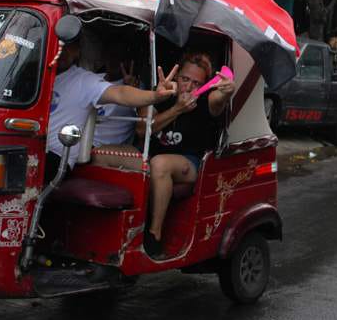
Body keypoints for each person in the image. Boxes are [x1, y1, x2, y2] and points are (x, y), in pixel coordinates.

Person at [137, 52, 235, 258]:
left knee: (160, 164)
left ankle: (154, 236)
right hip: (150, 156)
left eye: (196, 82)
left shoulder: (206, 100)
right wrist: (176, 108)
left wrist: (227, 91)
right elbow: (142, 130)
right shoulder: (163, 94)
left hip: (188, 164)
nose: (188, 87)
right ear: (176, 77)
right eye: (185, 79)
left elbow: (218, 100)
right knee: (105, 155)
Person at [45, 40, 178, 183]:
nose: (62, 50)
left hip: (58, 155)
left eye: (68, 46)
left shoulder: (85, 80)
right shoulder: (37, 72)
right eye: (58, 44)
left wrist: (155, 96)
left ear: (77, 51)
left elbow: (121, 93)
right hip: (34, 144)